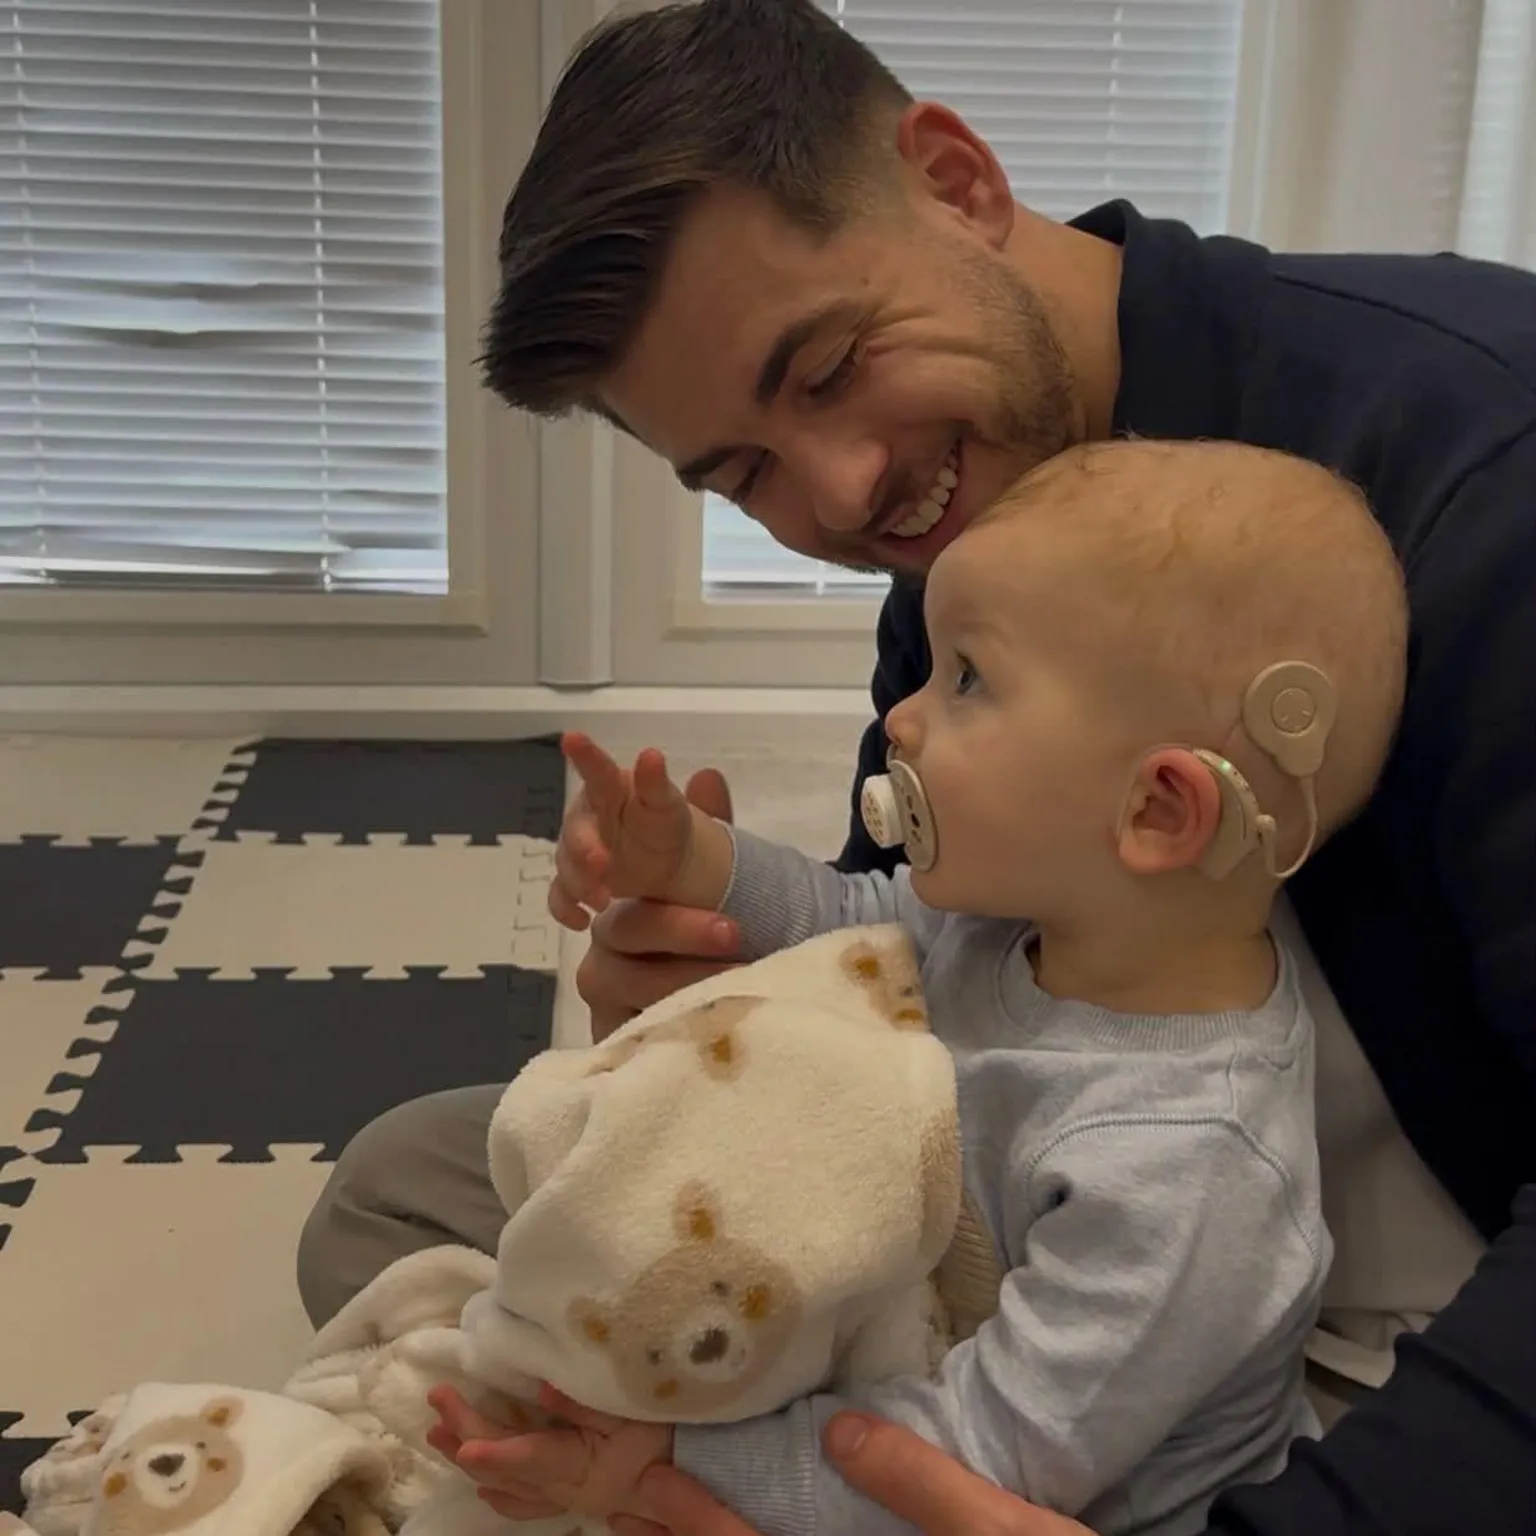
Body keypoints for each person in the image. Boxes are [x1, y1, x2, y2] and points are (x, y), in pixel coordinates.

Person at [296, 0, 1536, 1526]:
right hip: (998, 1240)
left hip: (1320, 1389)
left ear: (957, 179)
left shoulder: (1488, 476)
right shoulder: (967, 532)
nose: (838, 492)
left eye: (826, 368)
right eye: (740, 471)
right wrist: (727, 990)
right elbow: (911, 936)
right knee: (414, 1184)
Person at [427, 437, 1406, 1536]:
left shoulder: (1191, 1167)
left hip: (953, 1490)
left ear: (1157, 812)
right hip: (860, 1344)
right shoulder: (1019, 920)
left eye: (971, 678)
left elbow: (976, 1458)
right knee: (409, 1191)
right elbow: (852, 924)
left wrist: (662, 1464)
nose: (905, 717)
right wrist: (692, 861)